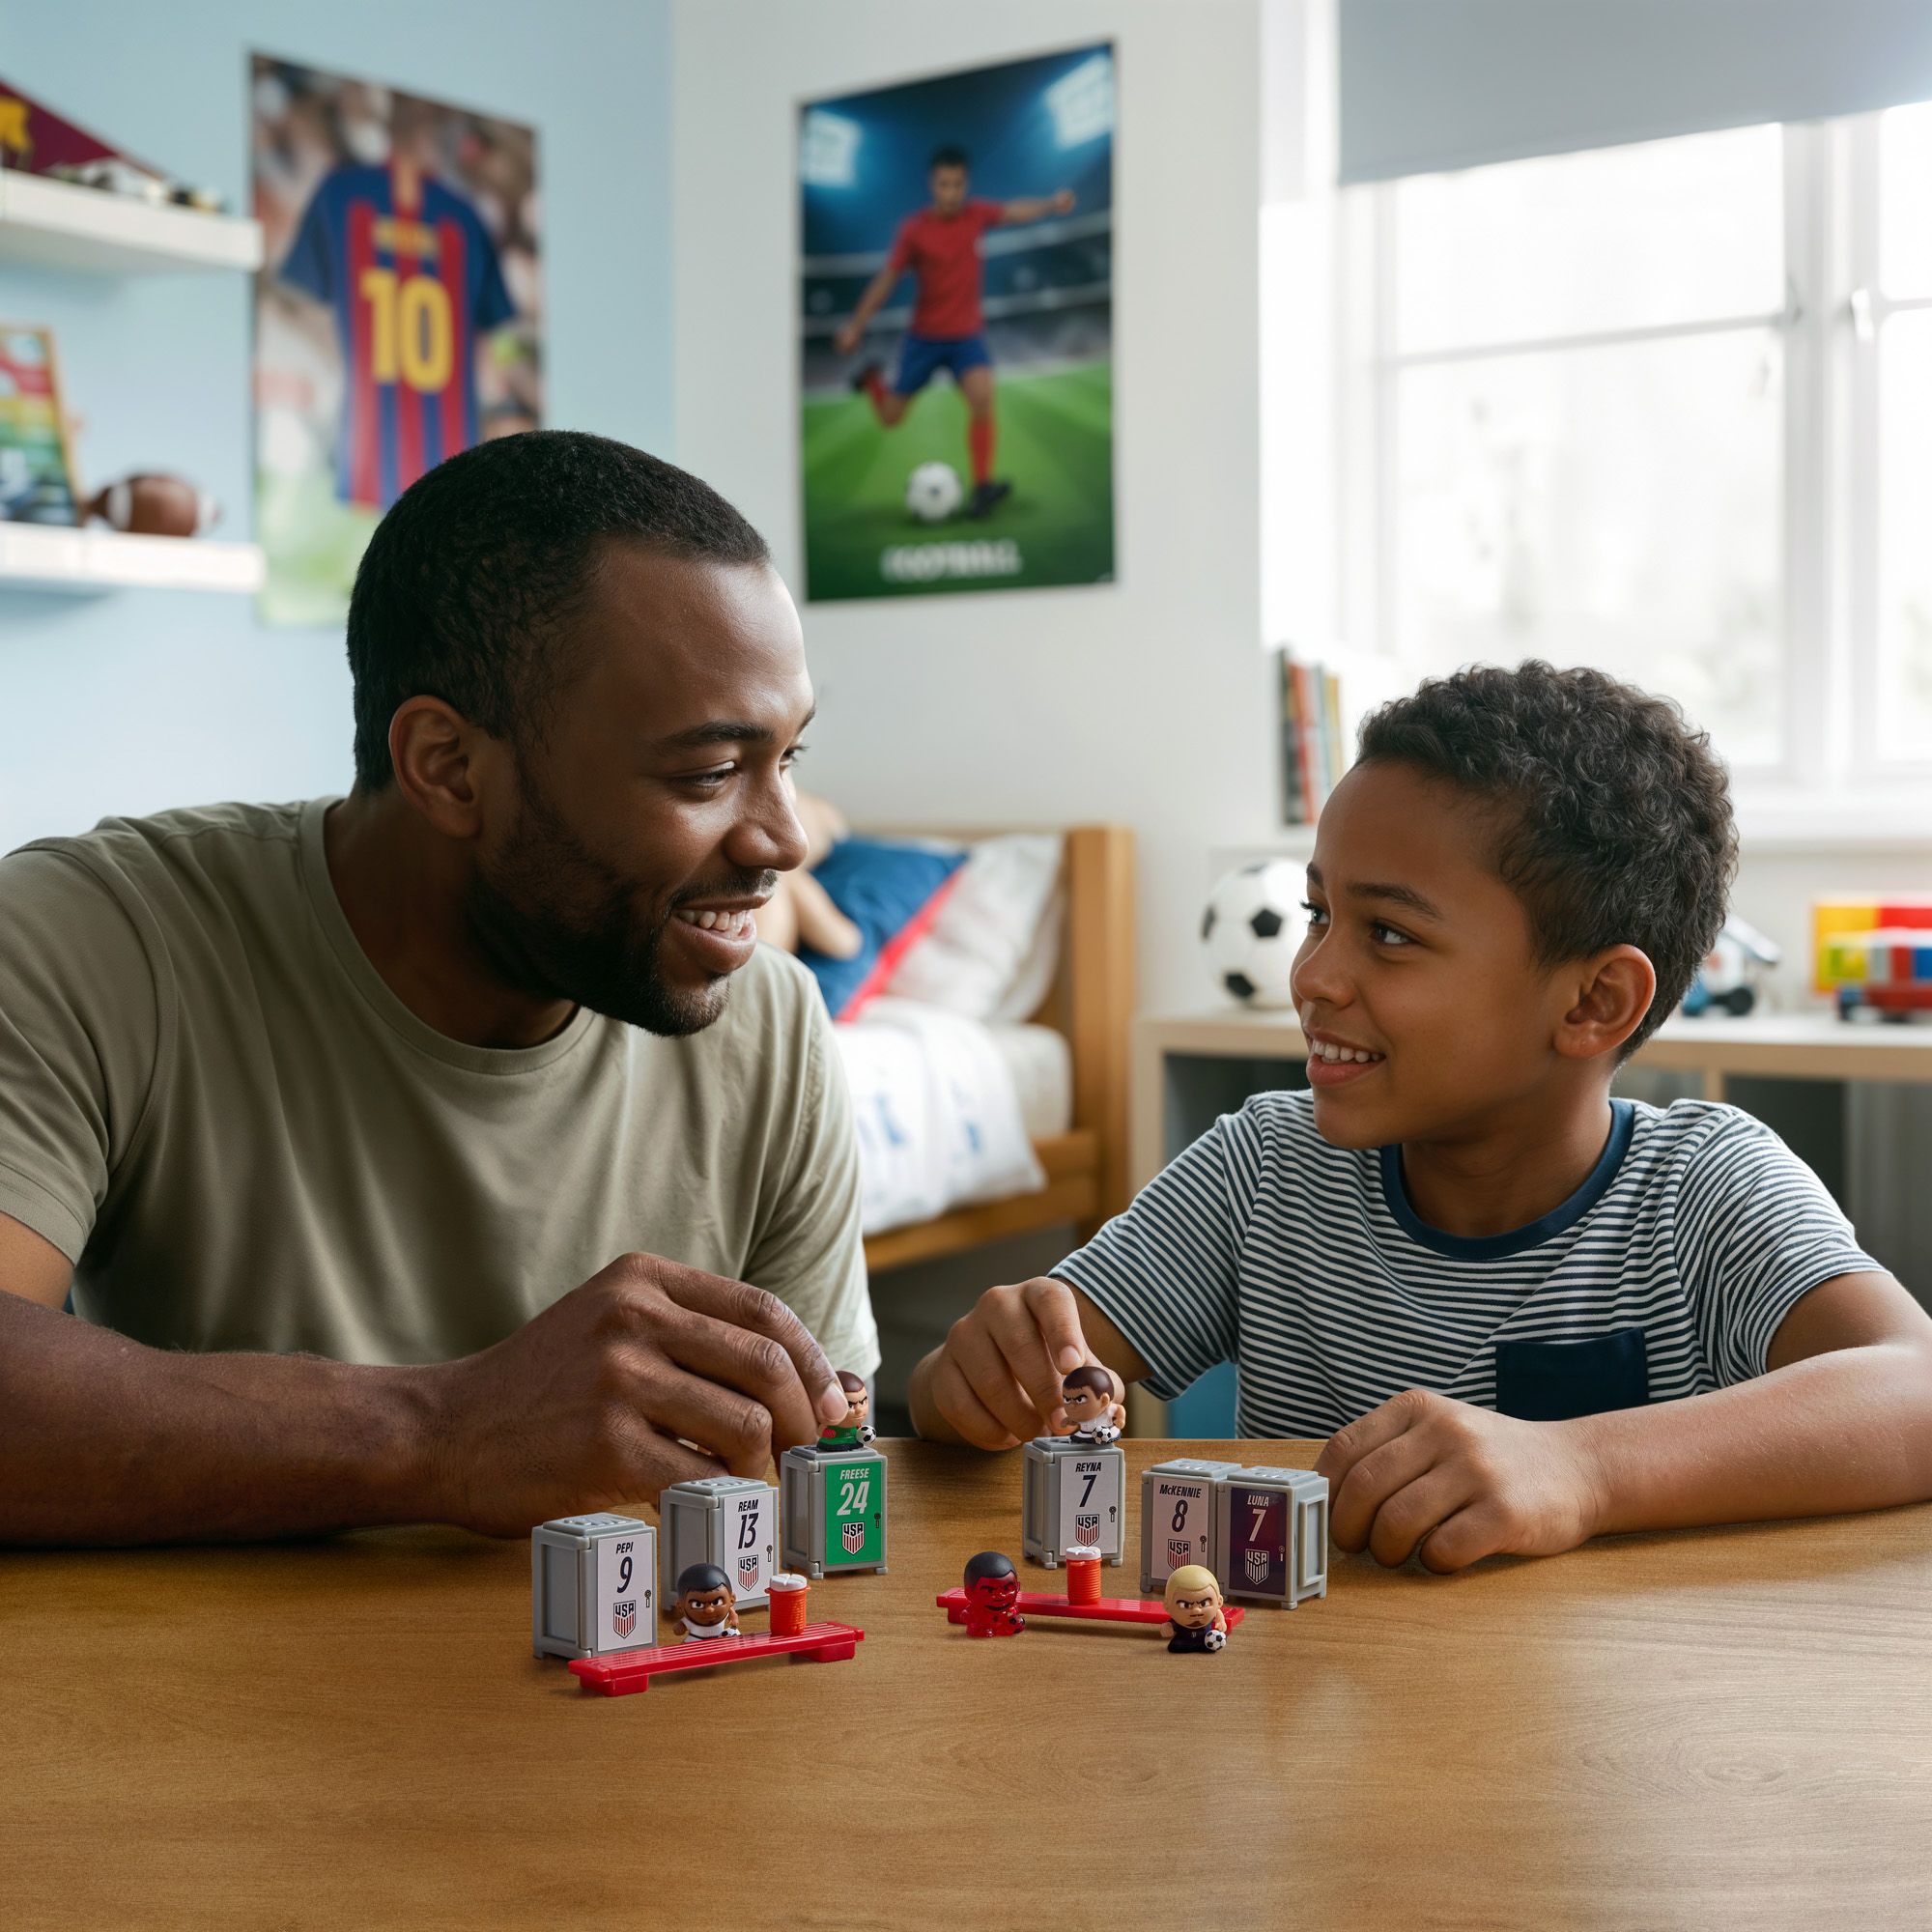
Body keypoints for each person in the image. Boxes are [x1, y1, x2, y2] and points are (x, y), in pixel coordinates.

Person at [0, 430, 877, 1547]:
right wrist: (441, 1428)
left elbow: (817, 1507)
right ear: (448, 766)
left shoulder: (771, 1028)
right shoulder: (101, 935)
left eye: (788, 757)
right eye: (707, 773)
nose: (785, 840)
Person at [910, 662, 1932, 1573]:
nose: (1312, 975)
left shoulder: (1699, 1188)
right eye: (1318, 915)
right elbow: (1008, 1387)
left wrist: (1579, 1467)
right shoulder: (1263, 1166)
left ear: (1591, 1004)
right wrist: (976, 1381)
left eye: (1388, 933)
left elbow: (1912, 1387)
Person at [834, 143, 1074, 521]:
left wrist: (1050, 204)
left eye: (957, 184)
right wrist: (856, 325)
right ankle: (872, 379)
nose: (951, 192)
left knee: (983, 396)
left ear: (966, 184)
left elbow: (1014, 211)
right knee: (891, 419)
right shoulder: (914, 229)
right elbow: (887, 279)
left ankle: (982, 489)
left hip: (966, 337)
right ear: (933, 184)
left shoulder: (977, 215)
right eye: (944, 184)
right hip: (924, 339)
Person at [1163, 1565, 1229, 1654]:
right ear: (1167, 1606)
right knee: (1175, 1646)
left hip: (1205, 1638)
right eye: (1185, 1605)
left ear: (1219, 1602)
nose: (1196, 1610)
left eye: (1204, 1604)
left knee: (1211, 1643)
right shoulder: (1177, 1621)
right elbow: (1171, 1624)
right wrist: (1167, 1626)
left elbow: (1217, 1612)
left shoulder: (1213, 1614)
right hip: (1183, 1639)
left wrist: (1221, 1621)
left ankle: (1203, 1646)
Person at [671, 1563, 740, 1643]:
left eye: (716, 1602)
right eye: (697, 1605)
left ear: (731, 1600)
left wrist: (733, 1617)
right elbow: (679, 1628)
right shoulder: (689, 1620)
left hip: (718, 1641)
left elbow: (730, 1611)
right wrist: (679, 1627)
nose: (709, 1610)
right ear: (680, 1606)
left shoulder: (724, 1613)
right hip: (694, 1642)